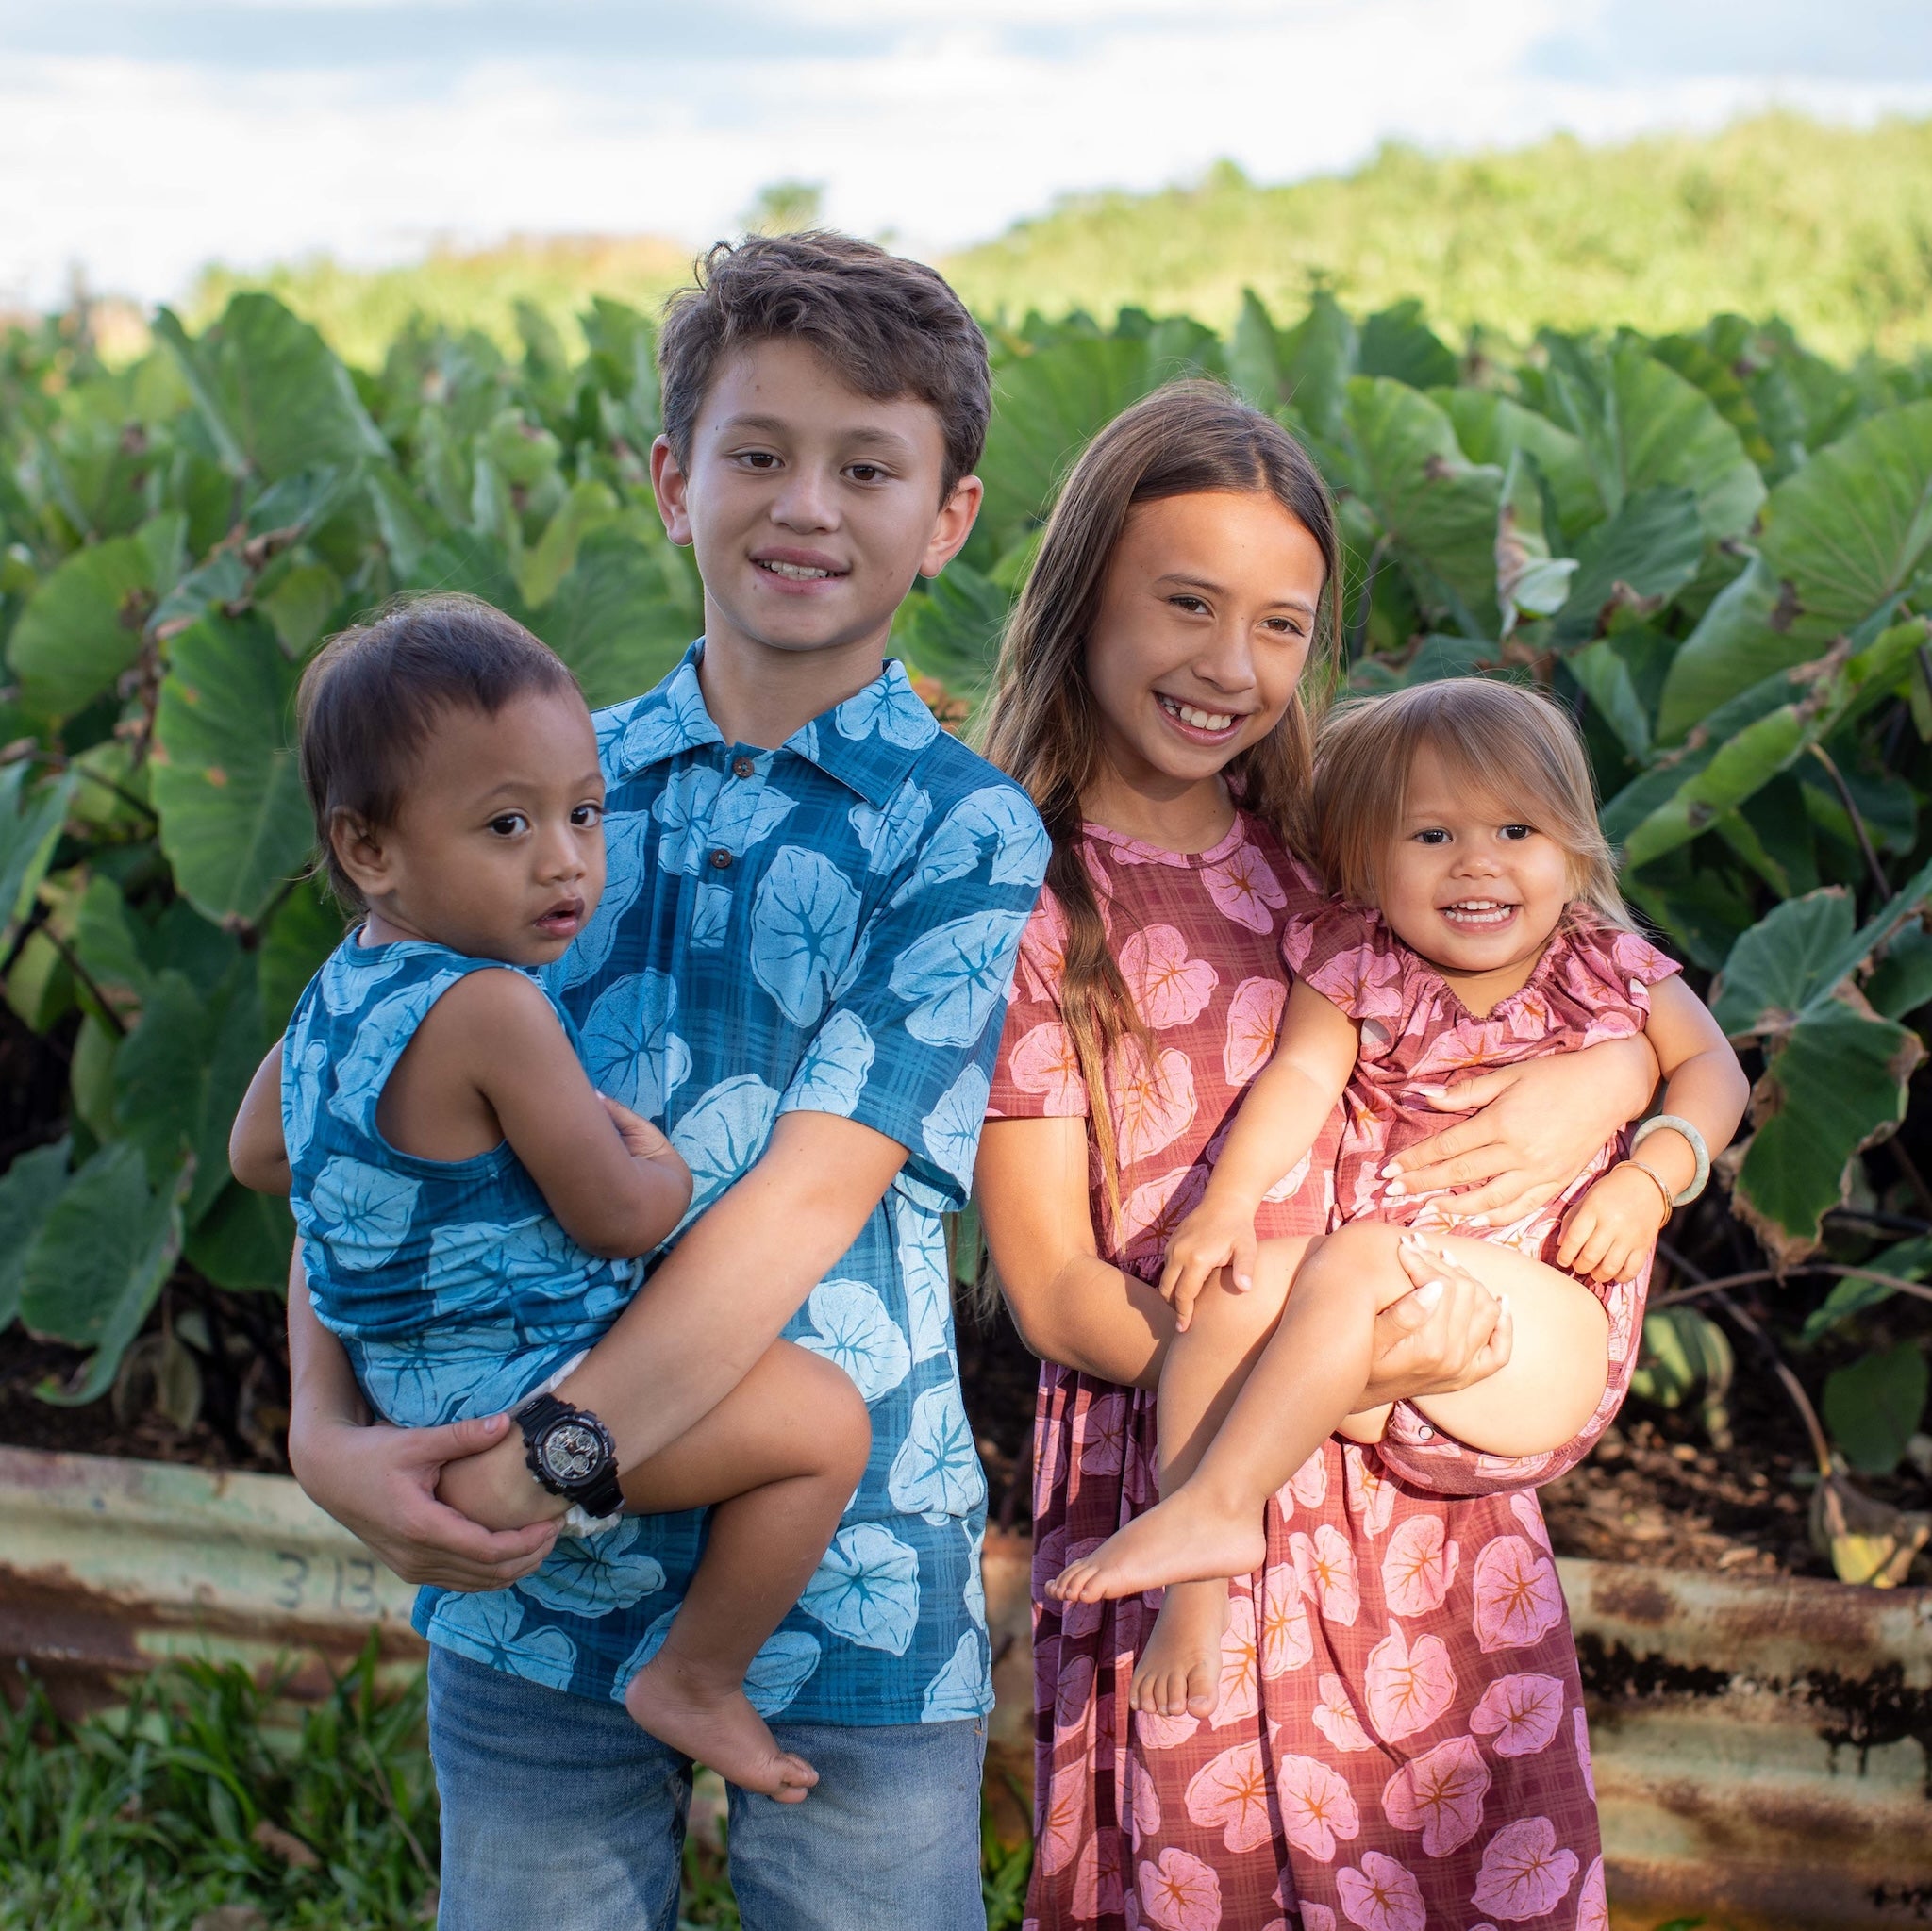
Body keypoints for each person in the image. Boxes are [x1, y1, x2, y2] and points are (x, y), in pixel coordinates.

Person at [262, 234, 1049, 1931]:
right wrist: (325, 1434)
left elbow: (806, 1202)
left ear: (951, 515)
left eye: (867, 466)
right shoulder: (537, 785)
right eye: (756, 453)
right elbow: (349, 1111)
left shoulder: (961, 830)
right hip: (535, 1583)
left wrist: (543, 1452)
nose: (804, 506)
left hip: (837, 1566)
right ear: (669, 479)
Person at [975, 381, 1666, 1931]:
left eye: (1280, 625)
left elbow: (1598, 978)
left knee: (1449, 1867)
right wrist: (1317, 1374)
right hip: (1185, 1448)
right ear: (1084, 592)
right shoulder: (1022, 898)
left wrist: (1608, 1085)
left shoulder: (1342, 843)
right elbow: (1049, 1289)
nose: (1231, 665)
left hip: (1419, 1513)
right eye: (1185, 605)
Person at [229, 594, 874, 1802]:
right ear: (368, 848)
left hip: (405, 1394)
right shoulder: (494, 1008)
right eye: (507, 824)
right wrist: (662, 1161)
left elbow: (261, 1155)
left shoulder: (339, 985)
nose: (565, 857)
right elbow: (620, 1216)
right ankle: (696, 1675)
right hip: (521, 1392)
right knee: (823, 1427)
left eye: (584, 811)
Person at [1049, 678, 1748, 1720]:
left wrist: (1649, 1179)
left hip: (1542, 1341)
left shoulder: (1608, 966)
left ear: (1573, 846)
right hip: (1382, 1342)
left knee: (1364, 1252)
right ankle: (1196, 1591)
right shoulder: (1357, 968)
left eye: (1515, 827)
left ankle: (1224, 1499)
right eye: (1429, 834)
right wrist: (1226, 1206)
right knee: (1229, 1292)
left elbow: (1717, 1074)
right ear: (1365, 864)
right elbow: (1293, 1083)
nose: (1476, 860)